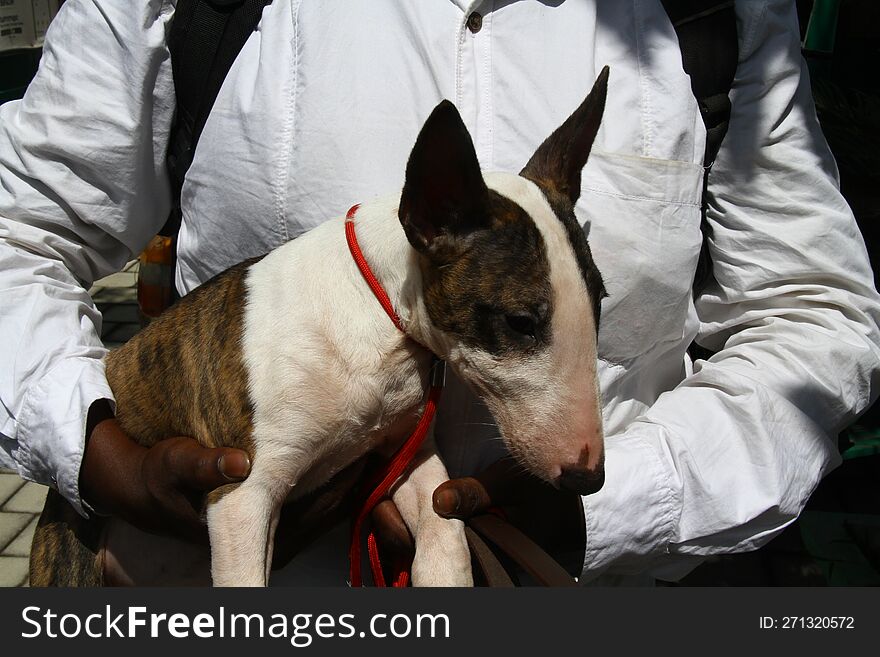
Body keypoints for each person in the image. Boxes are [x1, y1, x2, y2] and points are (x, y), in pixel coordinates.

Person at [1, 0, 878, 585]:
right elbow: (20, 230)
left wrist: (613, 508)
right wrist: (87, 439)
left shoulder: (708, 11)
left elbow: (816, 316)